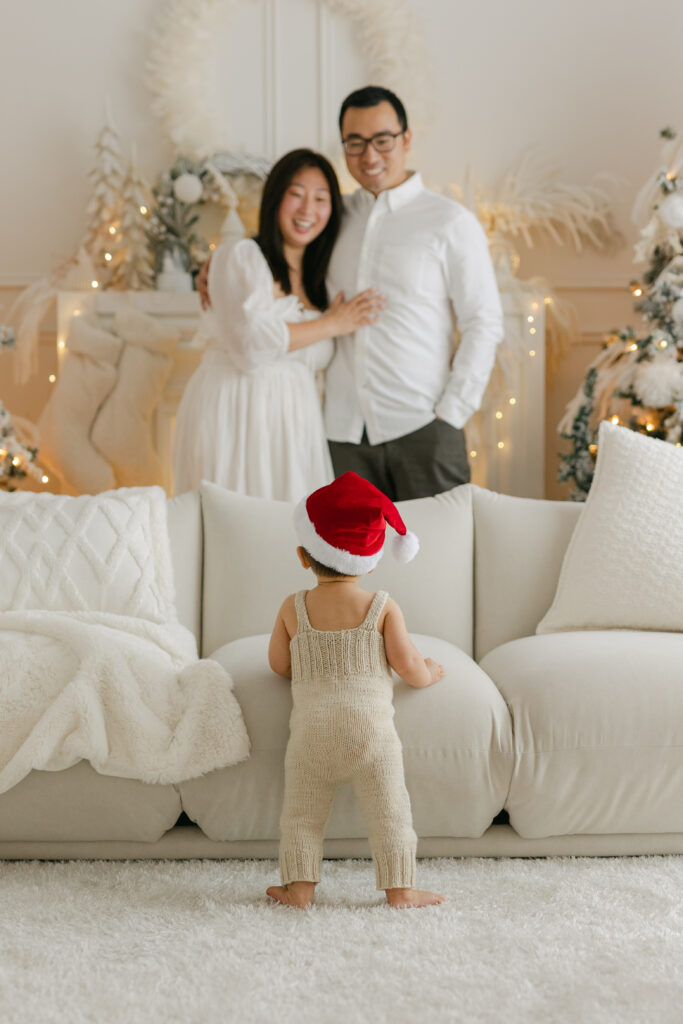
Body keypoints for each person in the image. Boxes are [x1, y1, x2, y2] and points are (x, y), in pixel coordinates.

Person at [266, 471, 446, 909]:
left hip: (310, 736)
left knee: (302, 817)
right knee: (391, 814)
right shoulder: (381, 607)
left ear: (304, 556)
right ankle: (400, 890)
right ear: (371, 559)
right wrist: (429, 671)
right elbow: (407, 666)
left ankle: (299, 889)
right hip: (372, 736)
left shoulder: (293, 607)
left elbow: (279, 664)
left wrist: (311, 665)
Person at [325, 85, 505, 501]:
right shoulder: (331, 218)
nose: (370, 156)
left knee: (441, 563)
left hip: (424, 429)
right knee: (351, 565)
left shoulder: (449, 222)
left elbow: (484, 321)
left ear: (406, 139)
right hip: (342, 434)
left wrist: (450, 416)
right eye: (355, 143)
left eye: (382, 141)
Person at [172, 149, 382, 500]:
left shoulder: (323, 278)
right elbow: (251, 347)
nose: (307, 210)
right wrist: (333, 324)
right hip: (236, 410)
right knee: (234, 528)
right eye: (296, 194)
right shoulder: (242, 255)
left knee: (292, 540)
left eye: (320, 198)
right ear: (274, 198)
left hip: (296, 423)